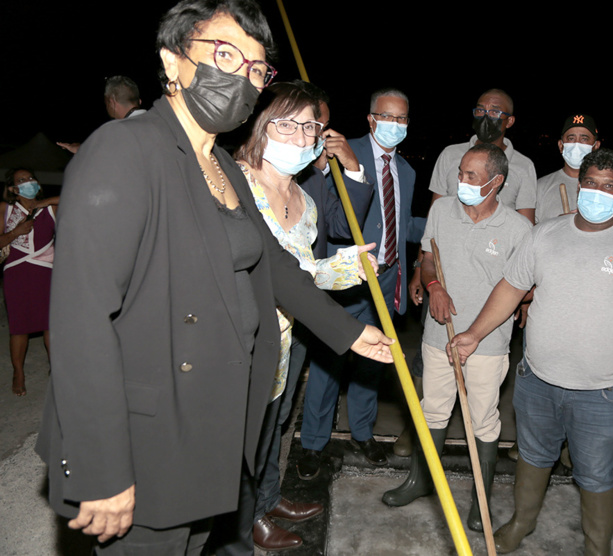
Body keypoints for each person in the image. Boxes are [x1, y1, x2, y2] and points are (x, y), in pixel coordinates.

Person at [35, 2, 393, 553]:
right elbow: (82, 323)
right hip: (147, 432)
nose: (242, 78)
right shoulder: (125, 151)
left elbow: (271, 262)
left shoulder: (221, 165)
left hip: (208, 422)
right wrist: (100, 469)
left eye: (255, 69)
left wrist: (345, 330)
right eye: (224, 54)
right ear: (172, 62)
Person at [450, 149, 613, 554]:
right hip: (537, 379)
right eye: (590, 183)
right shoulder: (545, 234)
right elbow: (511, 289)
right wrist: (473, 333)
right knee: (534, 457)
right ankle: (522, 522)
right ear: (579, 185)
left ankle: (597, 546)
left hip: (604, 390)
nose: (596, 192)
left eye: (608, 186)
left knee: (595, 474)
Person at [212, 82, 377, 553]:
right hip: (238, 341)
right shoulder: (231, 183)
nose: (301, 136)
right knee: (235, 447)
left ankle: (262, 503)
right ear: (260, 126)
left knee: (269, 431)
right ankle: (240, 527)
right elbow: (249, 265)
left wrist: (334, 271)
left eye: (311, 126)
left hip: (284, 341)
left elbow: (295, 273)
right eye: (287, 124)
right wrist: (323, 272)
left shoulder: (305, 199)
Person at [382, 144, 531, 532]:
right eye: (460, 172)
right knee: (432, 408)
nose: (460, 181)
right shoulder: (441, 210)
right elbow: (428, 255)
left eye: (471, 176)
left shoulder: (518, 229)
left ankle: (480, 501)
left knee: (482, 420)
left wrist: (488, 321)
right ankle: (420, 481)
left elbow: (526, 288)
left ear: (496, 182)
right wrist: (433, 285)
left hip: (488, 342)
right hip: (437, 335)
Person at [298, 87, 424, 479]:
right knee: (328, 361)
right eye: (387, 117)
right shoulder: (341, 151)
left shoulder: (407, 171)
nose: (395, 125)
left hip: (386, 278)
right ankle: (313, 444)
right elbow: (327, 211)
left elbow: (401, 225)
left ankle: (362, 433)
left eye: (402, 118)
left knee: (374, 361)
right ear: (371, 119)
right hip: (347, 277)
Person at [427, 89, 536, 223]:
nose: (486, 117)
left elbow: (526, 225)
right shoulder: (450, 155)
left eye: (495, 112)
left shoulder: (524, 166)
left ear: (509, 121)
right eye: (480, 111)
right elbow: (434, 214)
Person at [1, 168, 58, 396]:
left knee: (50, 324)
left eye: (31, 178)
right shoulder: (5, 210)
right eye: (21, 181)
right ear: (14, 190)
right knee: (19, 327)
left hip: (47, 271)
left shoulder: (50, 208)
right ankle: (18, 373)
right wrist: (15, 232)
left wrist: (43, 202)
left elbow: (75, 197)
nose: (28, 183)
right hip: (17, 273)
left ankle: (56, 369)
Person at [58, 76, 147, 154]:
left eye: (106, 103)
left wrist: (82, 151)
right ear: (139, 101)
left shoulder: (119, 133)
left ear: (112, 103)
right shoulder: (156, 122)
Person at [536, 113, 601, 221]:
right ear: (561, 145)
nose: (577, 144)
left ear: (596, 146)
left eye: (584, 139)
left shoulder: (605, 187)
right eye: (571, 138)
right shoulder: (540, 187)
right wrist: (558, 225)